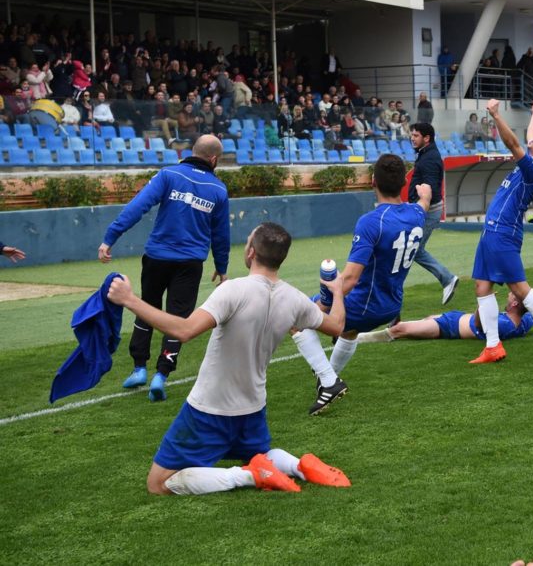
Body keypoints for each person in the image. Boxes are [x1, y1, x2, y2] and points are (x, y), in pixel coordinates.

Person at [106, 222, 351, 495]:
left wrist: (129, 299)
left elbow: (184, 331)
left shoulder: (233, 290)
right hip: (253, 409)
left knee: (158, 483)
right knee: (261, 454)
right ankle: (298, 466)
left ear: (250, 253)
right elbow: (338, 326)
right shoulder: (295, 299)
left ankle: (247, 476)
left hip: (210, 409)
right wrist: (337, 290)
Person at [289, 154, 431, 415]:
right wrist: (425, 193)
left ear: (373, 181)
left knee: (296, 317)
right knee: (349, 331)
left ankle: (329, 381)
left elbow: (351, 278)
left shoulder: (370, 222)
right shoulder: (416, 214)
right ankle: (326, 380)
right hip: (392, 305)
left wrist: (326, 300)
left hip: (366, 304)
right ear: (402, 184)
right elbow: (424, 203)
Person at [99, 135, 230, 401]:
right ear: (214, 160)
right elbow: (221, 234)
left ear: (192, 151)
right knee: (178, 319)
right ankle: (161, 374)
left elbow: (137, 207)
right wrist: (221, 266)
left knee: (146, 308)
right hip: (190, 263)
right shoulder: (218, 189)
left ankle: (139, 369)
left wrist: (110, 237)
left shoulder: (168, 174)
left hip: (157, 257)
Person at [469, 98, 533, 365]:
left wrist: (495, 115)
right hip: (493, 230)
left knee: (520, 288)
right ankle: (493, 346)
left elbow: (513, 143)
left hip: (503, 231)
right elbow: (528, 138)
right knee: (482, 285)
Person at [385, 274, 533, 343]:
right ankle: (396, 323)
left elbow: (479, 325)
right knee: (423, 320)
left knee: (400, 330)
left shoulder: (505, 325)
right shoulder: (523, 322)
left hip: (449, 327)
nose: (509, 294)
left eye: (512, 295)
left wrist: (482, 305)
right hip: (455, 319)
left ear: (514, 304)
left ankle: (360, 337)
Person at [409, 122, 459, 304]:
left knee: (412, 250)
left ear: (426, 138)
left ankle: (447, 278)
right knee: (411, 249)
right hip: (424, 209)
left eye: (415, 136)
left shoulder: (429, 158)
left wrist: (420, 209)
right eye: (412, 135)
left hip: (427, 211)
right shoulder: (426, 154)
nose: (412, 138)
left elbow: (430, 189)